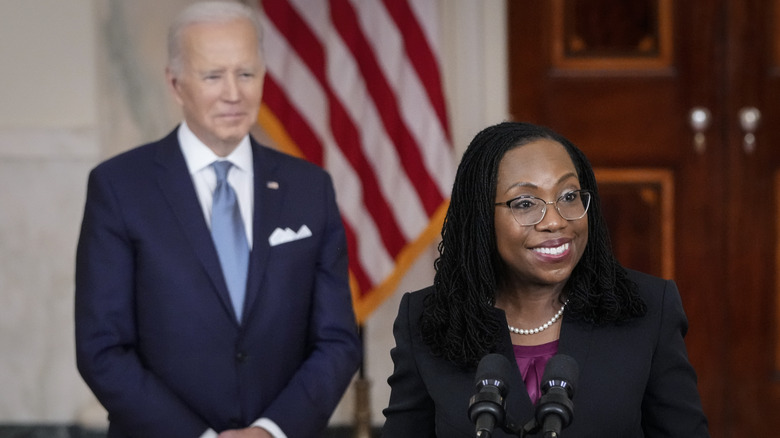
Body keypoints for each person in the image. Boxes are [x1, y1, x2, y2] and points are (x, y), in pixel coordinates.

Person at [75, 2, 362, 437]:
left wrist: (269, 430)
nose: (234, 93)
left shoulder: (310, 189)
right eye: (213, 76)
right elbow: (102, 349)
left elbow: (337, 341)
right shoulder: (118, 188)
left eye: (246, 74)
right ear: (175, 84)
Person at [382, 121, 709, 437]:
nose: (554, 221)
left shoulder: (650, 308)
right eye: (525, 203)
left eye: (569, 196)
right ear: (480, 216)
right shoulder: (426, 320)